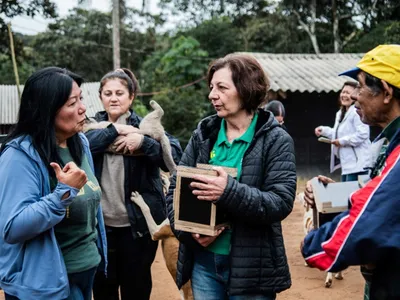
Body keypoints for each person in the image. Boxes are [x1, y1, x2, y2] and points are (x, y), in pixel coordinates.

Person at [166, 54, 297, 299]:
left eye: (222, 88)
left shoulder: (276, 140)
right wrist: (190, 233)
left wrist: (228, 191)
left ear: (246, 89)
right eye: (212, 87)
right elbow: (175, 189)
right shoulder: (204, 134)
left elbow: (280, 202)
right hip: (204, 264)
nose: (212, 95)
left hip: (252, 270)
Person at [301, 44, 400, 300]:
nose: (356, 95)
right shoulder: (389, 142)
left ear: (386, 92)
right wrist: (332, 194)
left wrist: (313, 245)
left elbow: (366, 221)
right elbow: (381, 194)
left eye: (361, 85)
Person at [0, 67, 107, 300]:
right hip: (44, 285)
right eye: (72, 103)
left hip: (85, 273)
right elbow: (12, 227)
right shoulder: (19, 156)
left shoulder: (79, 143)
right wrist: (63, 193)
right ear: (47, 110)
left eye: (81, 98)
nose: (82, 108)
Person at [84, 68, 182, 300]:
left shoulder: (145, 127)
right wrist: (115, 130)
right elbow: (83, 145)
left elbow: (174, 156)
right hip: (100, 229)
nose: (113, 98)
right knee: (103, 289)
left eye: (120, 93)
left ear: (131, 97)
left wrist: (143, 143)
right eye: (107, 93)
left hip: (137, 229)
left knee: (136, 289)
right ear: (100, 97)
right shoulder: (89, 127)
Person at [314, 81, 371, 182]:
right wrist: (323, 130)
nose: (344, 95)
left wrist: (341, 141)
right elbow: (338, 134)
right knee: (346, 194)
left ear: (355, 96)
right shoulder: (340, 113)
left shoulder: (357, 112)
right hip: (347, 164)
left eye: (348, 93)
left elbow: (363, 134)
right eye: (343, 92)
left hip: (359, 164)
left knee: (353, 194)